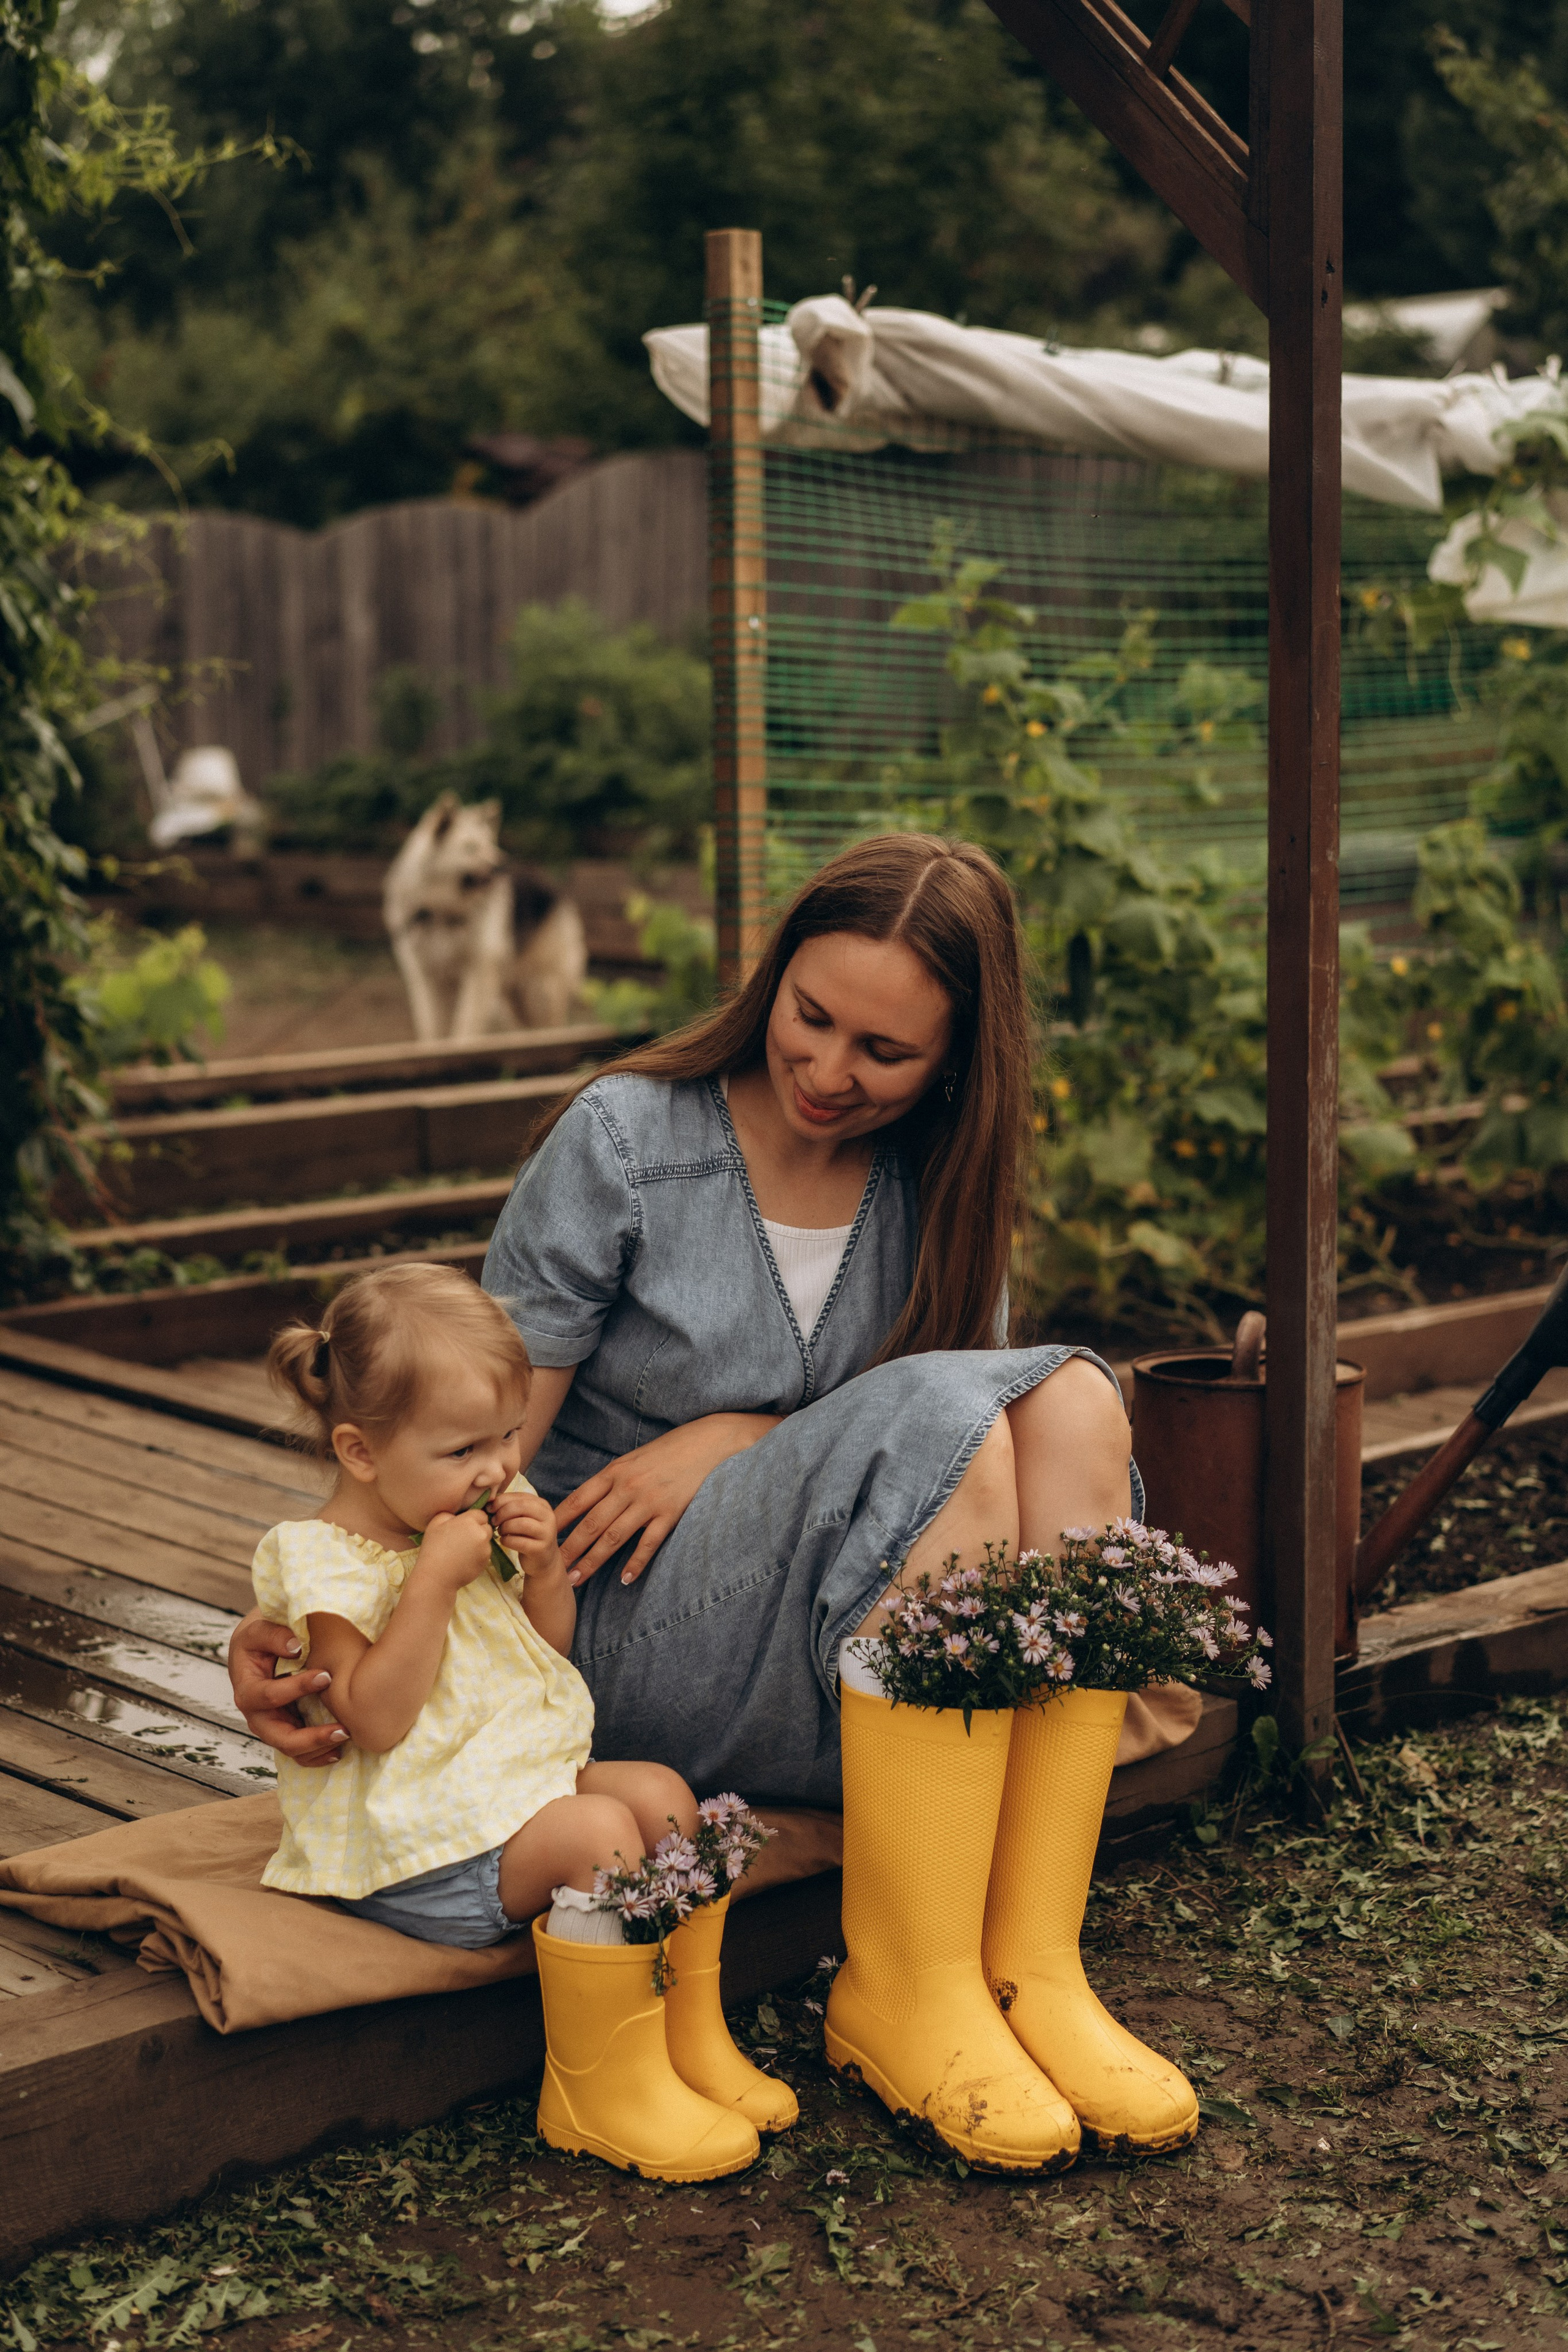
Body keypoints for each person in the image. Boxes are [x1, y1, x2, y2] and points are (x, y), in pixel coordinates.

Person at [230, 834, 1197, 2171]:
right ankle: (901, 1988)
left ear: (955, 1066)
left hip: (859, 1667)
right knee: (948, 1423)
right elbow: (446, 1446)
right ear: (769, 981)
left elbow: (962, 1438)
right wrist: (302, 1611)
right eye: (809, 1017)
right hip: (611, 1642)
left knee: (1076, 1400)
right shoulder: (628, 1141)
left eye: (883, 1052)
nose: (825, 1070)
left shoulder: (935, 1180)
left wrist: (741, 1435)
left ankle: (1023, 1964)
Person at [254, 1259, 773, 2182]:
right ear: (360, 1452)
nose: (496, 1469)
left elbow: (547, 1649)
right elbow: (372, 1716)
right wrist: (432, 1584)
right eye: (463, 1451)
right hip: (413, 1852)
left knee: (661, 1797)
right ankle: (599, 2087)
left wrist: (540, 1576)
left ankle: (687, 2035)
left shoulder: (459, 1518)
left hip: (495, 1796)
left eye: (506, 1438)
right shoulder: (321, 1561)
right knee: (600, 1831)